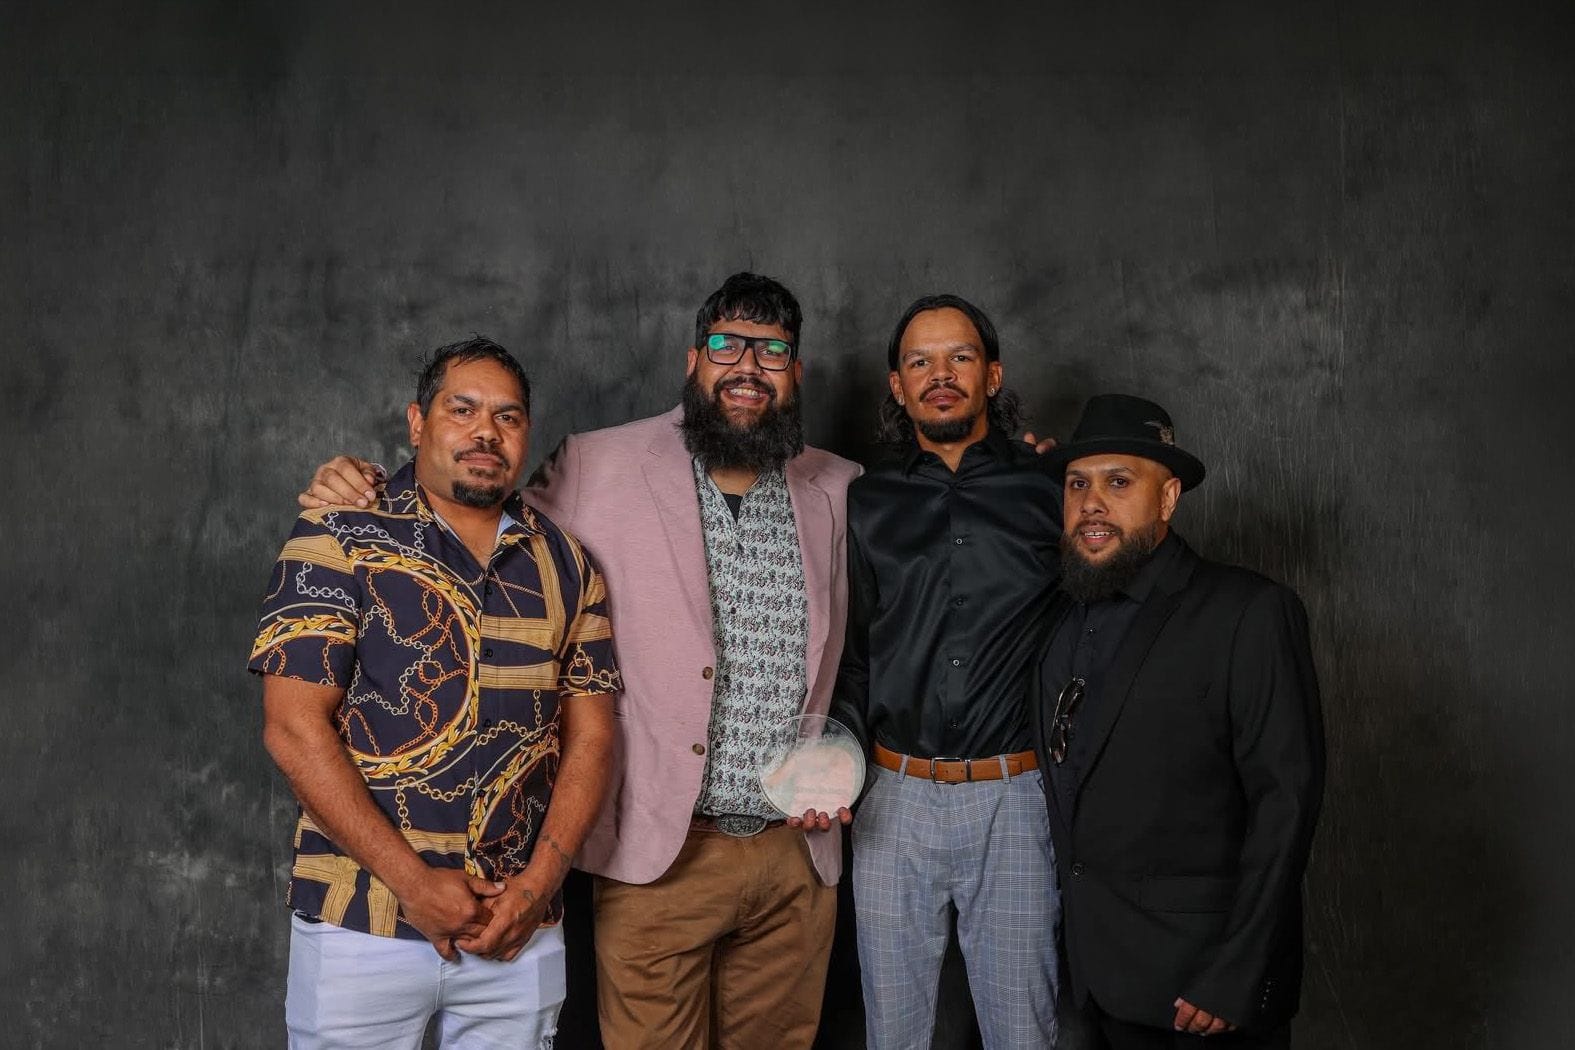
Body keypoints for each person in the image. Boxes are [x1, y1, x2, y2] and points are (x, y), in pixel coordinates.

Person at [298, 273, 862, 1049]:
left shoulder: (836, 485)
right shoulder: (596, 463)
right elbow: (472, 502)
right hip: (661, 854)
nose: (747, 366)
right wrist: (364, 481)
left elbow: (879, 633)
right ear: (693, 360)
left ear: (795, 373)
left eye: (772, 351)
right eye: (728, 344)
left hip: (795, 856)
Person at [250, 337, 621, 1047]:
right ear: (418, 423)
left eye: (509, 418)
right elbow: (293, 728)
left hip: (517, 933)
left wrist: (536, 890)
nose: (487, 431)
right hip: (362, 922)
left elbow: (593, 737)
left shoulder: (569, 565)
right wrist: (415, 887)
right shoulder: (338, 533)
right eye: (464, 409)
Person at [1031, 394, 1325, 1050]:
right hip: (1091, 987)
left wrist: (1236, 973)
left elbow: (1285, 805)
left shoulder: (1248, 613)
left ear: (1166, 500)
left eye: (1117, 482)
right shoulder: (1059, 621)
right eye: (1077, 484)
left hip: (1201, 993)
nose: (1091, 503)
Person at [830, 294, 1063, 1049]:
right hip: (891, 802)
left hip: (1016, 798)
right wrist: (833, 768)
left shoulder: (1052, 488)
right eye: (918, 361)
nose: (940, 375)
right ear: (896, 387)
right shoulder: (864, 502)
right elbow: (856, 652)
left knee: (1021, 1032)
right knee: (891, 1035)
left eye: (959, 357)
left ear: (991, 374)